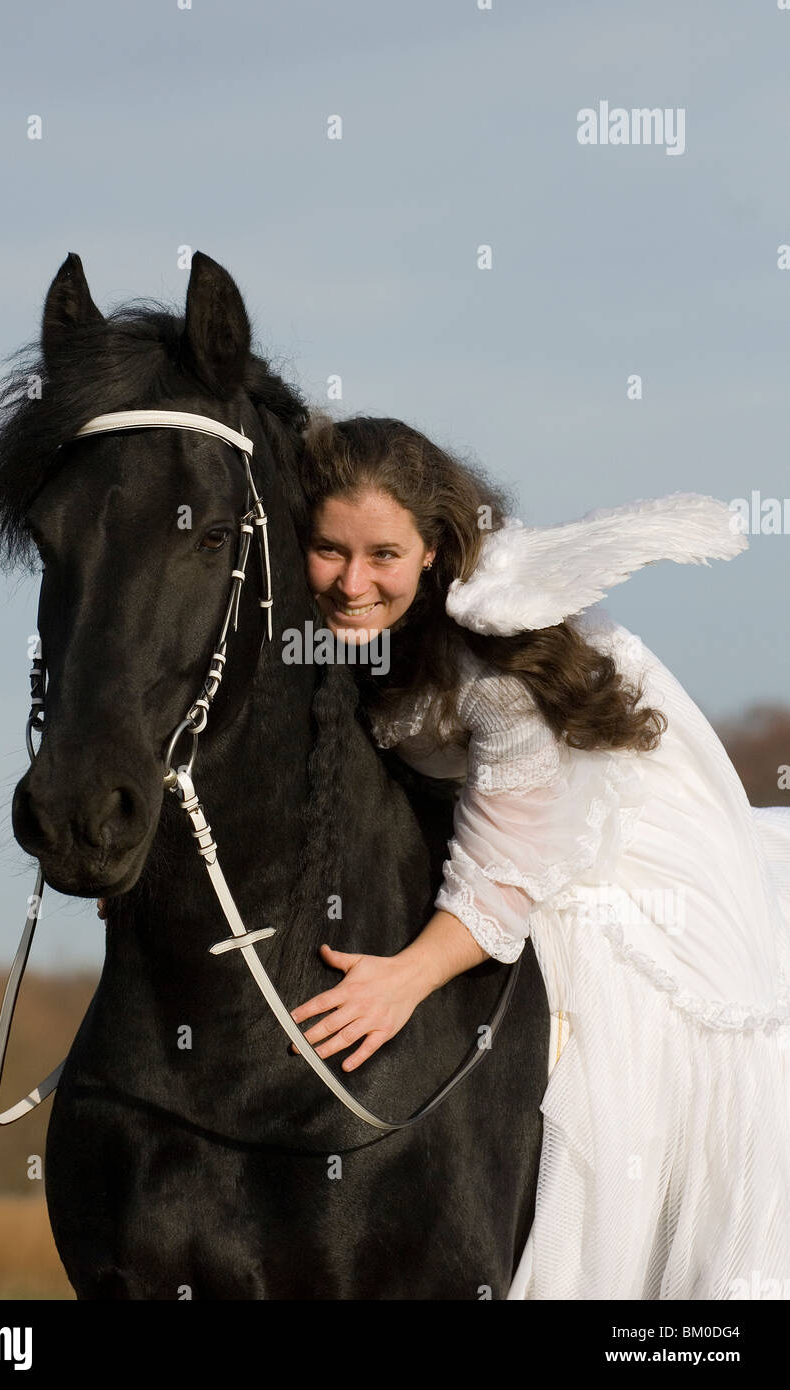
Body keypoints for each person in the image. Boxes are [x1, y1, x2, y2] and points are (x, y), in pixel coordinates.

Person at [288, 411, 790, 1301]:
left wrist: (401, 978)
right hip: (482, 805)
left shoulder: (491, 658)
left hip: (619, 826)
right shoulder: (308, 613)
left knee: (630, 1034)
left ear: (434, 550)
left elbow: (507, 869)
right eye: (330, 551)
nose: (352, 582)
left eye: (383, 558)